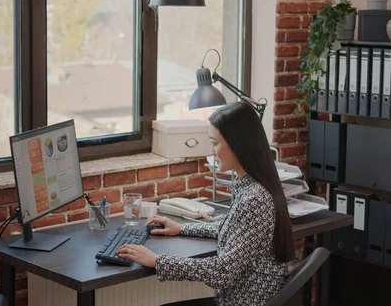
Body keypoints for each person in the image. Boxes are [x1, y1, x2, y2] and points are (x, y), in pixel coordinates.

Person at [116, 101, 295, 306]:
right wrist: (182, 228)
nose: (212, 151)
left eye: (215, 143)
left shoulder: (254, 198)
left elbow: (222, 272)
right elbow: (232, 229)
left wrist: (157, 261)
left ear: (238, 144)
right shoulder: (252, 183)